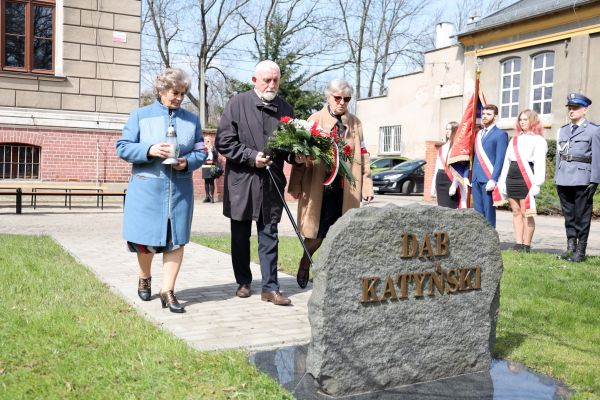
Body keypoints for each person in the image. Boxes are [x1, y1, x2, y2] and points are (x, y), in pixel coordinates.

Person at [116, 68, 207, 313]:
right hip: (147, 190)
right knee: (145, 243)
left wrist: (187, 162)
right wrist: (149, 150)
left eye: (183, 93)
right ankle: (145, 276)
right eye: (175, 92)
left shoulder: (192, 120)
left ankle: (167, 291)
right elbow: (123, 147)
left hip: (179, 192)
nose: (179, 97)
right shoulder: (139, 116)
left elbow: (201, 151)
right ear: (161, 90)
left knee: (175, 241)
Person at [216, 60, 295, 306]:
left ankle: (270, 288)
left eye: (275, 80)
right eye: (267, 80)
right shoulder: (237, 104)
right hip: (243, 182)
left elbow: (290, 148)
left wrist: (297, 157)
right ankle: (243, 282)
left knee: (269, 234)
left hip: (271, 183)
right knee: (240, 235)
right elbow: (224, 142)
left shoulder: (286, 109)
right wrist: (251, 157)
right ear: (254, 80)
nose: (272, 85)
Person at [288, 79, 374, 289]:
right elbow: (301, 154)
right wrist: (296, 185)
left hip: (346, 189)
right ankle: (305, 262)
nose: (342, 102)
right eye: (338, 98)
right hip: (320, 186)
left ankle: (336, 275)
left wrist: (367, 184)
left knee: (343, 233)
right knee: (317, 233)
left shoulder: (355, 123)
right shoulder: (315, 119)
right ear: (328, 97)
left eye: (346, 99)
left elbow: (363, 153)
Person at [555, 93, 600, 262]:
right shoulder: (564, 130)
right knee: (569, 216)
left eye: (575, 108)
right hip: (564, 178)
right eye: (570, 108)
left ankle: (580, 251)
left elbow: (597, 156)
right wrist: (557, 177)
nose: (571, 111)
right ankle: (570, 248)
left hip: (583, 178)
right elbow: (560, 155)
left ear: (585, 110)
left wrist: (595, 180)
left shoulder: (594, 130)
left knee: (582, 215)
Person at [497, 109, 548, 253]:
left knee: (527, 212)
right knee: (516, 212)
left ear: (533, 121)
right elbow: (507, 161)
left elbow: (539, 163)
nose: (522, 122)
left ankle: (527, 245)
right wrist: (502, 181)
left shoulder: (538, 140)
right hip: (512, 178)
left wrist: (537, 183)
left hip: (527, 178)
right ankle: (518, 243)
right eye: (520, 119)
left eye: (525, 119)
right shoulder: (514, 139)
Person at [471, 104, 509, 228]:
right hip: (476, 177)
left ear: (495, 117)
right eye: (484, 114)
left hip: (488, 178)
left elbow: (500, 159)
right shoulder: (479, 133)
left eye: (489, 114)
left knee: (488, 213)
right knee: (477, 213)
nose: (485, 116)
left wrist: (494, 179)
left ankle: (491, 240)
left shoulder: (500, 134)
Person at [430, 121, 469, 208]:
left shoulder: (459, 148)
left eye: (450, 129)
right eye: (446, 129)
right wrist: (433, 186)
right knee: (441, 207)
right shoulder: (442, 148)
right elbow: (436, 168)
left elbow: (459, 168)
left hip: (452, 178)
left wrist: (454, 184)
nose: (447, 131)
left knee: (452, 206)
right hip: (440, 178)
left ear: (455, 131)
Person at [201, 137, 219, 203]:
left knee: (211, 182)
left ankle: (212, 197)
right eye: (206, 140)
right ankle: (207, 196)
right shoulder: (204, 148)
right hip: (205, 166)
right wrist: (206, 149)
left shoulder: (214, 148)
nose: (207, 141)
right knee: (206, 182)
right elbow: (202, 157)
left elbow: (216, 156)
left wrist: (211, 150)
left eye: (209, 140)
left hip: (212, 166)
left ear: (211, 141)